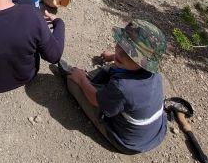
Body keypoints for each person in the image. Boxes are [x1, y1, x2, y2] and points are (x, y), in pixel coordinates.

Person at [63, 19, 167, 154]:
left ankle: (83, 79)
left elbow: (95, 100)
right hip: (155, 133)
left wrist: (82, 79)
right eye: (120, 44)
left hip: (128, 142)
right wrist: (113, 57)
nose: (120, 53)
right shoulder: (154, 73)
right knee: (116, 67)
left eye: (131, 54)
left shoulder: (123, 87)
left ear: (143, 62)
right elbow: (125, 59)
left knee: (74, 82)